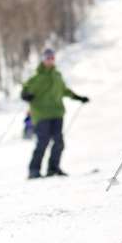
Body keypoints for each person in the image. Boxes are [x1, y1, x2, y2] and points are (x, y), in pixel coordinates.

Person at [21, 48, 89, 179]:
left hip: (57, 113)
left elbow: (64, 91)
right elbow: (25, 90)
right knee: (43, 142)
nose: (50, 60)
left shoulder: (57, 76)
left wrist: (78, 97)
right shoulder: (36, 77)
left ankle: (53, 168)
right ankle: (33, 170)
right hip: (41, 114)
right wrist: (25, 95)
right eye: (47, 58)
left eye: (52, 58)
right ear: (43, 60)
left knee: (59, 141)